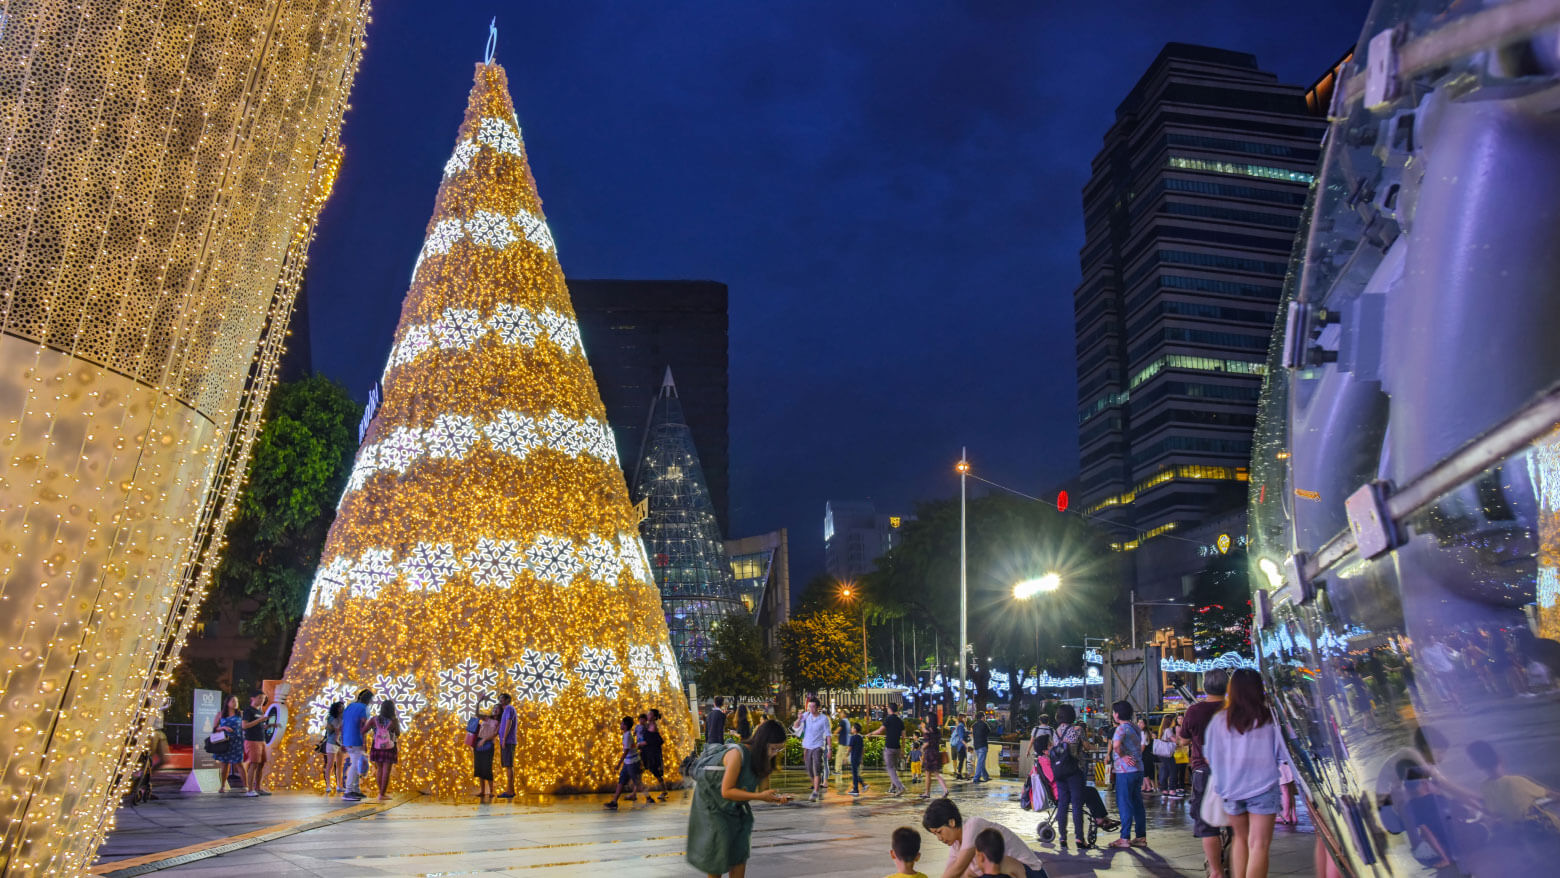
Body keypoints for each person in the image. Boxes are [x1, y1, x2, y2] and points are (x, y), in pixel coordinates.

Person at [1204, 668, 1290, 878]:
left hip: (1231, 788)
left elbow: (1211, 756)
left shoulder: (1220, 720)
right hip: (1264, 786)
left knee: (1240, 839)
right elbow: (1283, 754)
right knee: (1259, 845)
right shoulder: (1270, 719)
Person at [686, 719, 790, 877]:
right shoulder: (737, 754)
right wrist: (759, 796)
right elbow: (727, 791)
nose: (775, 753)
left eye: (779, 750)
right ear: (763, 742)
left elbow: (764, 791)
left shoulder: (763, 760)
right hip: (712, 805)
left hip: (735, 806)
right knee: (718, 855)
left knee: (739, 853)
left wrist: (777, 798)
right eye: (773, 748)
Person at [922, 797, 1048, 878]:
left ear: (951, 823)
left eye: (939, 832)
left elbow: (957, 869)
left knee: (991, 865)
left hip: (1032, 873)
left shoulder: (973, 825)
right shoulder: (956, 845)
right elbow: (950, 872)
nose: (939, 838)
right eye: (935, 834)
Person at [1181, 668, 1229, 878]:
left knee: (1207, 824)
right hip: (1233, 771)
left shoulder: (1194, 711)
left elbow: (1183, 740)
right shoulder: (1234, 708)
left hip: (1203, 770)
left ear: (1204, 686)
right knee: (1234, 822)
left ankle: (1216, 871)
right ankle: (1234, 866)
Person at [1466, 739, 1560, 832]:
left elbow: (1494, 812)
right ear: (1499, 757)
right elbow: (1553, 795)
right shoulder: (1517, 781)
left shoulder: (1485, 787)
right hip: (1546, 829)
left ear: (1478, 765)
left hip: (1519, 833)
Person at [1108, 700, 1147, 848]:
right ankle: (1141, 836)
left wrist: (1123, 756)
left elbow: (1116, 746)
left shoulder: (1121, 728)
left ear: (1117, 714)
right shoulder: (1135, 727)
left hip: (1125, 772)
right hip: (1138, 770)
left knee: (1124, 803)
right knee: (1137, 803)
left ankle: (1124, 838)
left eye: (1113, 712)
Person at [1050, 704, 1089, 848]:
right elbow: (1086, 747)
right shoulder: (1076, 730)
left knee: (1062, 804)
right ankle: (1079, 838)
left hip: (1060, 771)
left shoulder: (1056, 732)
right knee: (1077, 805)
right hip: (1074, 770)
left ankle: (1062, 837)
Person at [793, 696, 831, 802]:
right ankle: (815, 787)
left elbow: (828, 735)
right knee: (809, 769)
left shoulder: (824, 718)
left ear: (818, 707)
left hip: (818, 746)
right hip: (807, 746)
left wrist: (830, 749)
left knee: (816, 768)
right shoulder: (806, 715)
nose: (811, 708)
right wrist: (799, 718)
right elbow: (795, 727)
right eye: (810, 706)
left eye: (813, 706)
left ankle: (815, 792)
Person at [605, 716, 647, 809]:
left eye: (622, 723)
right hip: (628, 762)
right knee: (621, 781)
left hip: (632, 763)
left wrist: (618, 764)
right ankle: (614, 801)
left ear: (625, 725)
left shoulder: (627, 736)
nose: (621, 725)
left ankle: (648, 798)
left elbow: (626, 751)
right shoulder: (626, 734)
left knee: (637, 782)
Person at [869, 701, 908, 795]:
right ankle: (893, 787)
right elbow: (903, 737)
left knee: (890, 768)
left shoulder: (888, 719)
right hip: (897, 748)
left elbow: (879, 731)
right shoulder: (900, 721)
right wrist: (903, 750)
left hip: (889, 747)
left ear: (889, 709)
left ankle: (900, 787)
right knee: (893, 768)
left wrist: (870, 733)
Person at [340, 688, 371, 801]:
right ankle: (348, 791)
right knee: (355, 765)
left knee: (356, 764)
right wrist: (364, 741)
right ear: (369, 700)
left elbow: (342, 725)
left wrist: (343, 741)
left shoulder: (349, 707)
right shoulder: (364, 708)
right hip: (356, 739)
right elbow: (363, 726)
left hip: (348, 739)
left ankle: (356, 790)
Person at [367, 699, 400, 801]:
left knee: (380, 769)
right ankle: (382, 794)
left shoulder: (375, 719)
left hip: (377, 745)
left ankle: (380, 793)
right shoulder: (394, 720)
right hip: (389, 746)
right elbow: (398, 733)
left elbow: (366, 729)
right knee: (387, 770)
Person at [240, 690, 271, 797]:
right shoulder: (248, 710)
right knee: (254, 764)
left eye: (263, 698)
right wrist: (260, 720)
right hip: (252, 740)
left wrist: (268, 726)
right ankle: (250, 789)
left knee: (261, 764)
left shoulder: (261, 711)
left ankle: (258, 787)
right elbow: (244, 726)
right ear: (252, 698)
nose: (262, 700)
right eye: (259, 698)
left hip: (261, 740)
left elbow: (259, 725)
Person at [214, 695, 244, 793]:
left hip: (237, 742)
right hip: (225, 742)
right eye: (233, 701)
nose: (235, 703)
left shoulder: (241, 714)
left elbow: (245, 726)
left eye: (237, 701)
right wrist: (224, 728)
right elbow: (214, 729)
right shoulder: (220, 714)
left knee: (239, 764)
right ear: (227, 703)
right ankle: (222, 786)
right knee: (224, 765)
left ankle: (246, 786)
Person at [641, 707, 669, 801]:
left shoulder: (653, 727)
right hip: (647, 752)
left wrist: (639, 744)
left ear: (654, 717)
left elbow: (650, 741)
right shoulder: (648, 725)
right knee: (641, 771)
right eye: (648, 714)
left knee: (655, 772)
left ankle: (664, 791)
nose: (648, 716)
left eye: (650, 714)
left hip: (652, 753)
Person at [495, 692, 518, 799]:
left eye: (502, 699)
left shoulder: (509, 708)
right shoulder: (506, 710)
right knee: (508, 766)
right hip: (506, 741)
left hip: (508, 741)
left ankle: (509, 791)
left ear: (507, 700)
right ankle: (511, 790)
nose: (500, 700)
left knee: (508, 766)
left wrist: (504, 738)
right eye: (499, 698)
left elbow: (508, 723)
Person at [473, 705, 498, 798]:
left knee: (487, 768)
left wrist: (484, 740)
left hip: (488, 744)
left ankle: (491, 791)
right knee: (479, 768)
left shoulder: (498, 722)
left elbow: (495, 734)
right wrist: (480, 701)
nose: (495, 710)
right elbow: (476, 714)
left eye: (497, 709)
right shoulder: (486, 718)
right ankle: (482, 791)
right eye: (494, 709)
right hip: (479, 743)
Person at [920, 722, 950, 798]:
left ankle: (927, 793)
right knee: (937, 774)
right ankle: (945, 789)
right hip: (936, 754)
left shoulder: (928, 733)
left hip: (929, 755)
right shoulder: (937, 732)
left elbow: (927, 743)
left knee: (927, 774)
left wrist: (922, 748)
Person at [323, 701, 344, 794]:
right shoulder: (331, 718)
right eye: (340, 707)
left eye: (343, 707)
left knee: (340, 765)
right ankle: (328, 785)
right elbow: (336, 728)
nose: (342, 709)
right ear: (336, 708)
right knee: (330, 764)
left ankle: (339, 785)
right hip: (332, 742)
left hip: (341, 742)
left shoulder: (343, 717)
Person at [1156, 715, 1179, 796]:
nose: (1174, 722)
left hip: (1162, 753)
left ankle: (1164, 789)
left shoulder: (1162, 729)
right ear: (1170, 721)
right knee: (1173, 770)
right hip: (1167, 753)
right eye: (1173, 720)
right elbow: (1174, 740)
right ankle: (1172, 789)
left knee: (1165, 770)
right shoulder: (1168, 730)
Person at [1139, 717, 1157, 795]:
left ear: (1145, 724)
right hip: (1148, 754)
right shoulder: (1146, 732)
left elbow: (1142, 746)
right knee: (1146, 770)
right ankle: (1145, 786)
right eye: (1138, 722)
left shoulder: (1143, 733)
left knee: (1144, 771)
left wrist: (1138, 754)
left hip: (1144, 754)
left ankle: (1148, 786)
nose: (1139, 724)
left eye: (1141, 723)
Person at [970, 714, 990, 783]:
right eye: (984, 716)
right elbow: (989, 732)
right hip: (983, 745)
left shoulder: (973, 725)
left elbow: (972, 734)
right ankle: (976, 778)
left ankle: (986, 776)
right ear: (982, 717)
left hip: (976, 746)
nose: (985, 718)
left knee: (981, 762)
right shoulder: (985, 724)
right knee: (980, 762)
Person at [849, 723, 866, 796]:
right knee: (855, 773)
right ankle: (862, 785)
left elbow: (850, 747)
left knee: (854, 773)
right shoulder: (860, 737)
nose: (851, 729)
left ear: (855, 730)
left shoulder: (853, 737)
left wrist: (845, 755)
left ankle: (856, 789)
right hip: (858, 757)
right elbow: (862, 749)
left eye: (852, 728)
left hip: (854, 757)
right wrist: (862, 758)